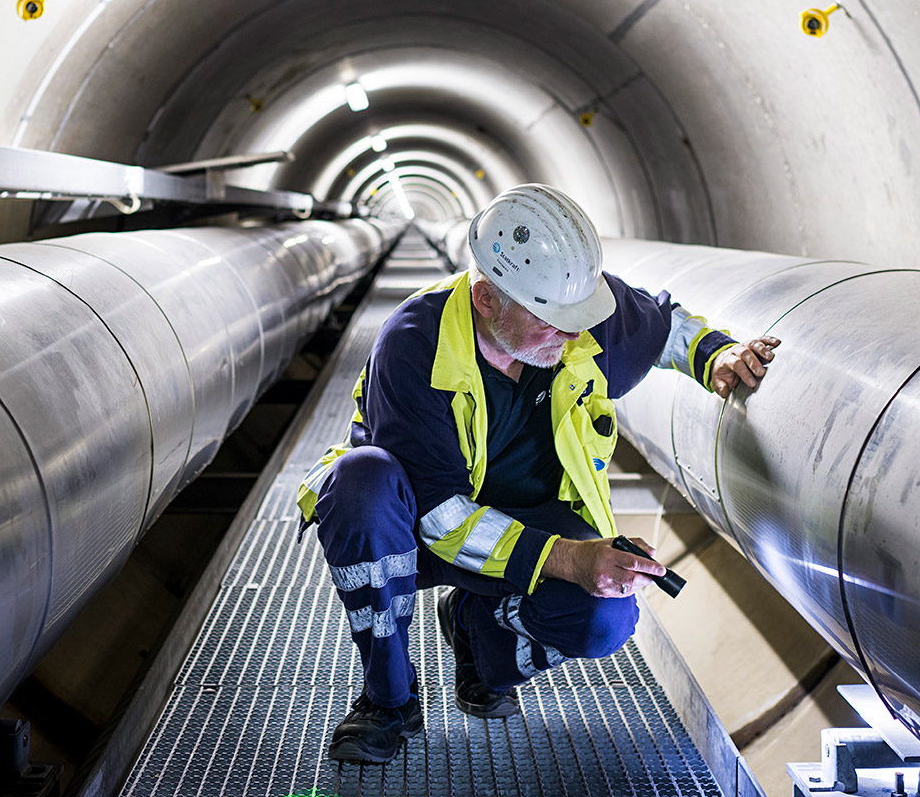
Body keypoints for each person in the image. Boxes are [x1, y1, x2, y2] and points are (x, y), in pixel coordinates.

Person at [296, 184, 780, 763]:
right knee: (360, 483)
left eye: (578, 318)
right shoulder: (414, 344)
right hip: (417, 526)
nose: (573, 335)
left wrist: (717, 356)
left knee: (606, 618)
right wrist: (571, 559)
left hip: (529, 519)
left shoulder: (575, 312)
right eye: (551, 320)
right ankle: (389, 699)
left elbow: (661, 323)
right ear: (485, 299)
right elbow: (439, 517)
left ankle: (477, 635)